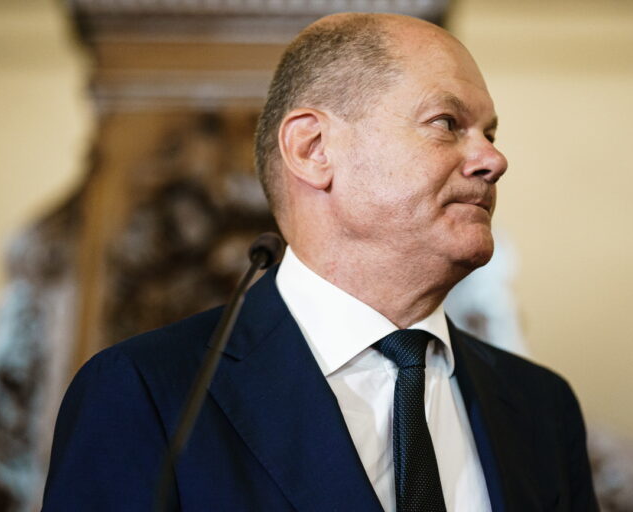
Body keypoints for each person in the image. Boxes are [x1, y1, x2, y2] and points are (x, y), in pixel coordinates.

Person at [42, 13, 598, 512]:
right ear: (313, 148)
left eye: (491, 133)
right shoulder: (152, 394)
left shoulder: (540, 408)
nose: (493, 159)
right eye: (447, 123)